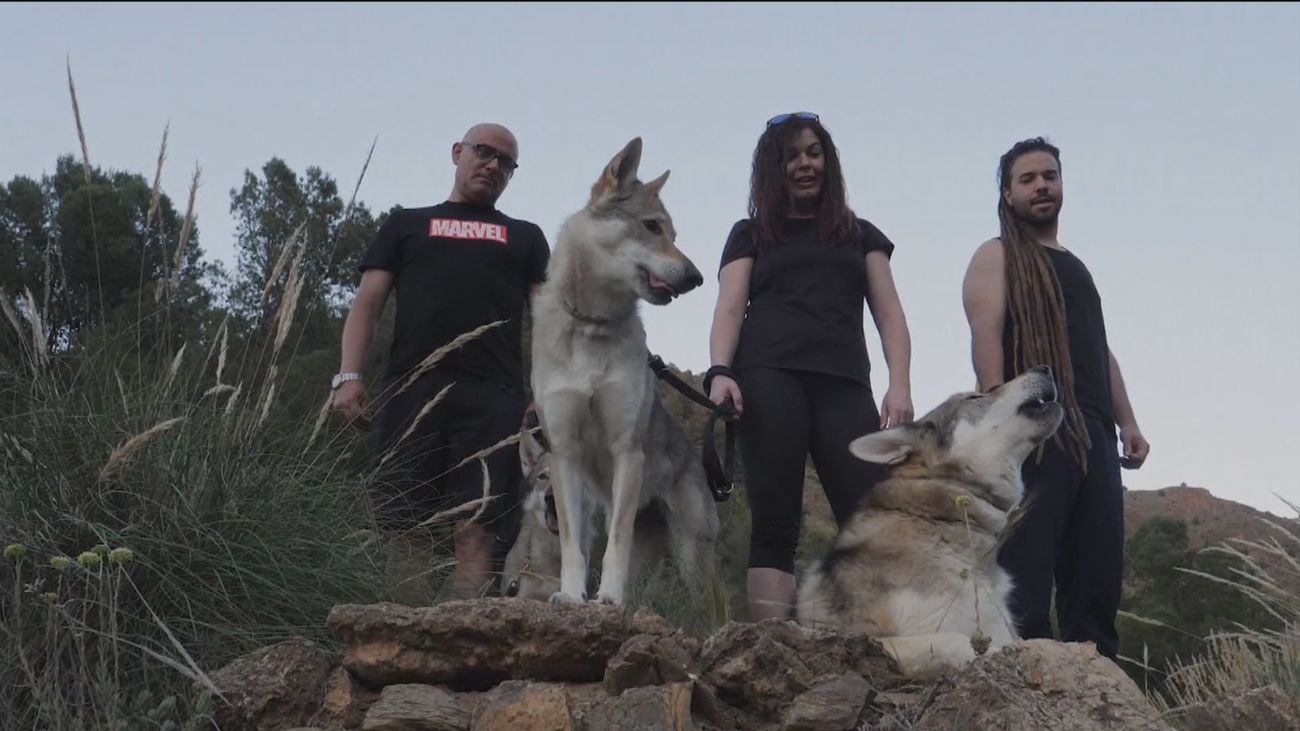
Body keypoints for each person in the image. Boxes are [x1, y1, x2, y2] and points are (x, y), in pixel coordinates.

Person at [706, 112, 914, 621]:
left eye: (813, 153)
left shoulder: (861, 235)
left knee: (867, 516)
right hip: (767, 375)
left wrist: (900, 385)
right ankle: (768, 648)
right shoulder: (750, 233)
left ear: (829, 162)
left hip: (844, 384)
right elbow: (730, 307)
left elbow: (890, 314)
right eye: (792, 156)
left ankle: (882, 640)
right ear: (774, 169)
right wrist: (719, 372)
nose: (805, 164)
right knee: (775, 520)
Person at [331, 123, 551, 599]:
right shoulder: (405, 224)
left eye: (506, 162)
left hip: (495, 401)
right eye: (484, 152)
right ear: (457, 153)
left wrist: (547, 395)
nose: (493, 166)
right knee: (402, 525)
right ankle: (400, 648)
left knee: (476, 527)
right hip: (411, 392)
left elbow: (547, 321)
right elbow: (366, 304)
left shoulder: (526, 237)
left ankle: (464, 654)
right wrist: (349, 376)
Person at [961, 136, 1150, 659]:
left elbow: (1099, 349)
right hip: (1033, 429)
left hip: (1094, 433)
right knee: (1025, 566)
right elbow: (985, 333)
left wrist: (1128, 422)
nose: (1041, 185)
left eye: (1049, 175)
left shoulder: (1077, 266)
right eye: (1027, 179)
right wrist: (1000, 419)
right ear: (1007, 194)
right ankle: (1023, 684)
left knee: (1098, 573)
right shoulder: (995, 255)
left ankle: (1094, 686)